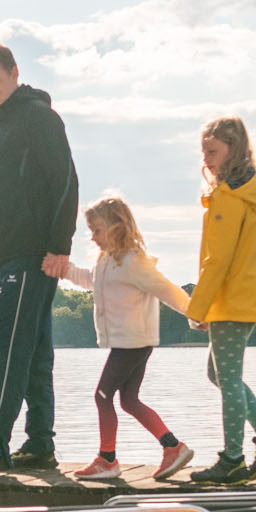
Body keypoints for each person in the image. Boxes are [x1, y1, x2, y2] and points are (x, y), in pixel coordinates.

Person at [0, 44, 79, 470]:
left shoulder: (39, 119)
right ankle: (40, 443)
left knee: (9, 347)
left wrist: (60, 247)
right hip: (9, 258)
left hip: (35, 256)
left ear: (14, 74)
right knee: (35, 352)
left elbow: (65, 183)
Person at [186, 115, 256, 485]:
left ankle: (233, 459)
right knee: (218, 373)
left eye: (213, 151)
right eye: (204, 151)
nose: (207, 158)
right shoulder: (243, 191)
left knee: (228, 379)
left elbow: (217, 260)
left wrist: (196, 307)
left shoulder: (229, 197)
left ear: (233, 151)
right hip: (241, 296)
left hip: (232, 298)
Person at [61, 194, 195, 482]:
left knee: (102, 395)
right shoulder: (106, 261)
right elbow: (89, 281)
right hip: (129, 342)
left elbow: (167, 289)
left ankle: (107, 459)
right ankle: (173, 446)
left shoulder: (134, 262)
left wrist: (195, 313)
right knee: (129, 400)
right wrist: (65, 269)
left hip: (134, 341)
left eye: (97, 230)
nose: (93, 237)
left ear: (117, 226)